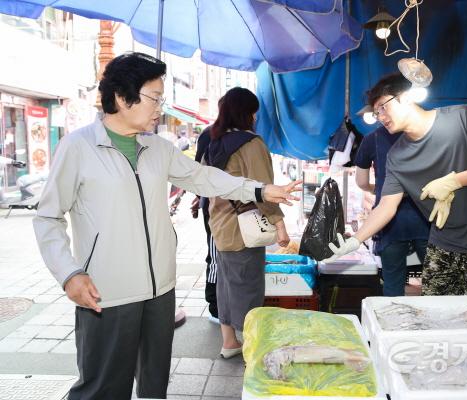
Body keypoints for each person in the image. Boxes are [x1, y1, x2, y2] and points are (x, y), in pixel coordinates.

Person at [32, 52, 300, 400]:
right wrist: (69, 273)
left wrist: (260, 189)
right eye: (154, 98)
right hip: (107, 292)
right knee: (102, 388)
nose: (160, 107)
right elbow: (47, 217)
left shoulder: (157, 147)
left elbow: (204, 179)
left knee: (155, 385)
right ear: (121, 97)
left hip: (161, 289)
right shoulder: (78, 147)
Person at [325, 73, 467, 296]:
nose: (380, 117)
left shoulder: (463, 118)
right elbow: (387, 206)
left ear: (406, 97)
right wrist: (356, 240)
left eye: (383, 108)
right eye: (376, 113)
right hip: (443, 244)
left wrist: (454, 181)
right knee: (436, 315)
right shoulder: (397, 156)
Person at [205, 87, 290, 359]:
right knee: (248, 289)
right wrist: (280, 225)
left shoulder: (213, 140)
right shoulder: (251, 144)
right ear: (249, 114)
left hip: (219, 225)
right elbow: (264, 189)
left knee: (227, 286)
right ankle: (253, 351)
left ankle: (229, 342)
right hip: (245, 228)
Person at [354, 125, 430, 296]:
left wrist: (379, 189)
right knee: (437, 280)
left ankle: (395, 321)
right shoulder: (425, 133)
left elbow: (361, 182)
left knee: (393, 283)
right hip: (427, 218)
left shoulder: (372, 138)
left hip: (389, 222)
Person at [193, 124, 219, 323]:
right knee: (216, 254)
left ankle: (219, 304)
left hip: (212, 202)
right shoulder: (211, 134)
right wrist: (200, 196)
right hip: (213, 205)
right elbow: (197, 170)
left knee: (218, 254)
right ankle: (214, 304)